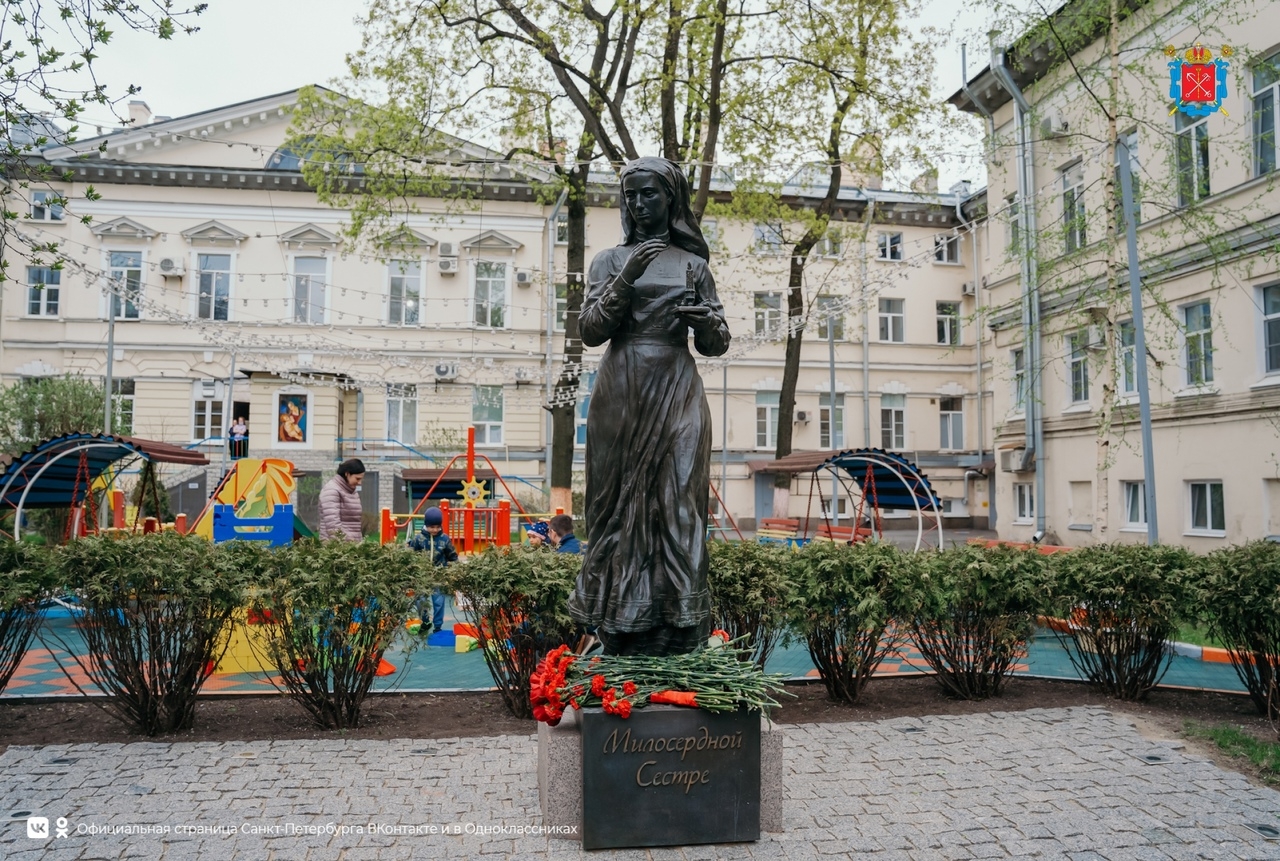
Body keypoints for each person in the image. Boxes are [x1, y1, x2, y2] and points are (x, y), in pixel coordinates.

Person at [566, 157, 730, 657]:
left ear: (670, 200)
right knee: (616, 505)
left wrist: (704, 322)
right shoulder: (608, 260)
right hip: (623, 388)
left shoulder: (693, 265)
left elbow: (718, 342)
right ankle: (620, 628)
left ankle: (681, 627)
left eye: (649, 194)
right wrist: (627, 276)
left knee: (679, 501)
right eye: (630, 195)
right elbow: (591, 330)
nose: (638, 204)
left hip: (678, 385)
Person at [408, 506, 458, 635]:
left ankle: (437, 626)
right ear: (426, 525)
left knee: (439, 601)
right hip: (422, 575)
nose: (435, 530)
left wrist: (455, 566)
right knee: (421, 601)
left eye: (438, 527)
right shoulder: (419, 539)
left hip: (438, 575)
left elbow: (452, 555)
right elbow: (411, 556)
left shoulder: (444, 539)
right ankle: (425, 621)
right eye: (432, 527)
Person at [318, 459, 365, 541]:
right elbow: (333, 524)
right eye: (357, 479)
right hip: (338, 548)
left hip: (351, 547)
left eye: (361, 479)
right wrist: (345, 545)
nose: (360, 483)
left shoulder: (351, 491)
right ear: (347, 474)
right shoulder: (331, 490)